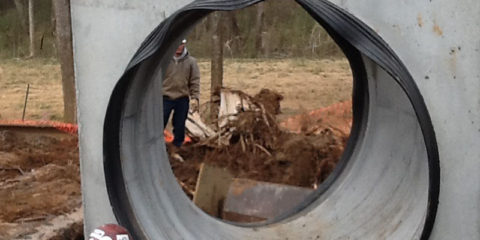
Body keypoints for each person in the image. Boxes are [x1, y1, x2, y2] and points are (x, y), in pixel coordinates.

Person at [162, 39, 200, 151]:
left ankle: (177, 147)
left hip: (182, 98)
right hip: (165, 97)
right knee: (159, 123)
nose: (179, 46)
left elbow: (194, 80)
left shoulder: (191, 62)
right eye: (177, 43)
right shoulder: (164, 61)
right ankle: (159, 147)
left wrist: (195, 98)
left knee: (179, 125)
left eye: (181, 44)